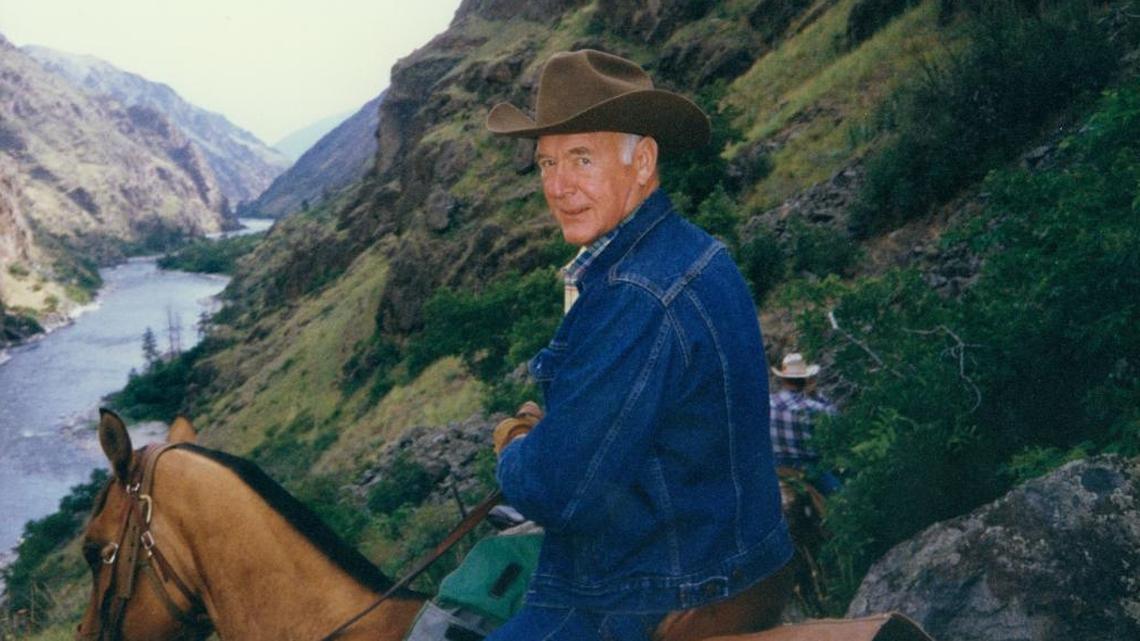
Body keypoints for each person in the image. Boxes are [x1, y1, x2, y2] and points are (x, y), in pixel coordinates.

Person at [483, 49, 793, 641]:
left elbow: (560, 493)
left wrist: (514, 443)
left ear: (644, 161)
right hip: (736, 556)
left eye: (581, 159)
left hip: (655, 586)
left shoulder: (635, 294)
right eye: (546, 163)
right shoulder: (699, 252)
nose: (558, 187)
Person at [769, 352, 841, 495]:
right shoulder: (815, 408)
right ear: (806, 379)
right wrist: (817, 395)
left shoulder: (766, 403)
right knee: (842, 502)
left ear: (783, 379)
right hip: (808, 468)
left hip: (774, 466)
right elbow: (838, 421)